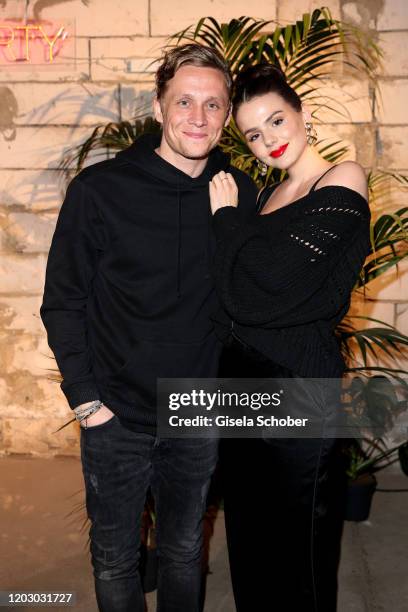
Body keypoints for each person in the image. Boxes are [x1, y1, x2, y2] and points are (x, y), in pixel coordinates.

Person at [40, 44, 256, 612]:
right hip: (116, 414)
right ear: (159, 107)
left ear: (228, 115)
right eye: (184, 101)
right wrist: (87, 402)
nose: (198, 117)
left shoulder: (237, 192)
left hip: (197, 411)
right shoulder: (101, 190)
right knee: (115, 558)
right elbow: (63, 302)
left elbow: (252, 300)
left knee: (185, 551)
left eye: (213, 105)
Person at [209, 64, 371, 611]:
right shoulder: (264, 197)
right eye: (254, 133)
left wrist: (227, 221)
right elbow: (234, 296)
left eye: (276, 120)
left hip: (300, 385)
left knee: (300, 553)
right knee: (250, 544)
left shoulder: (342, 180)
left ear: (302, 114)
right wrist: (243, 259)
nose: (269, 140)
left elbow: (268, 284)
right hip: (240, 382)